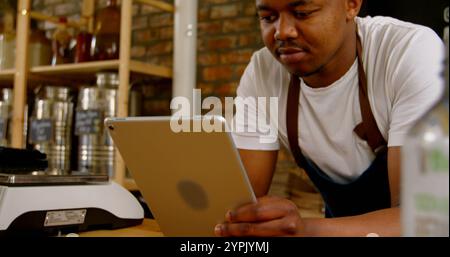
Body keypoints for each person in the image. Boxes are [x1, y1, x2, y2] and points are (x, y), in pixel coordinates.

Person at [214, 0, 445, 237]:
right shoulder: (263, 73)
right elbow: (234, 210)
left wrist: (306, 230)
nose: (282, 31)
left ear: (351, 5)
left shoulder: (409, 51)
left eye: (302, 13)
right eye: (268, 18)